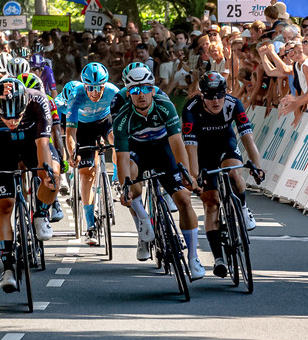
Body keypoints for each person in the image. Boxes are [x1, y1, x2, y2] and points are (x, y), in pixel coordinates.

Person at [114, 62, 205, 280]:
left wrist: (185, 173)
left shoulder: (165, 106)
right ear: (129, 93)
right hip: (137, 153)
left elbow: (177, 143)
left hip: (164, 150)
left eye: (146, 89)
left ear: (153, 89)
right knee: (131, 184)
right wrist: (124, 186)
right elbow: (122, 159)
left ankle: (193, 257)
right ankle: (144, 221)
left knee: (183, 199)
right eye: (135, 91)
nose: (141, 94)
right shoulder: (122, 117)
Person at [0, 76, 59, 294]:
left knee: (52, 176)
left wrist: (46, 174)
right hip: (1, 150)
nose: (11, 122)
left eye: (17, 117)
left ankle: (40, 214)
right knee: (4, 206)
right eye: (5, 118)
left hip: (33, 144)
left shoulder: (39, 101)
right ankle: (8, 267)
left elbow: (43, 145)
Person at [183, 71, 265, 278]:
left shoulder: (233, 103)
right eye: (210, 96)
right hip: (202, 152)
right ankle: (219, 258)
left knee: (235, 174)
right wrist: (194, 177)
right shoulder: (191, 109)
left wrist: (257, 166)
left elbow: (248, 138)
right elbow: (190, 148)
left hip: (224, 144)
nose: (216, 100)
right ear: (202, 96)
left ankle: (244, 208)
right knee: (210, 204)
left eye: (219, 94)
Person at [65, 62, 121, 246]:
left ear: (105, 85)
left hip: (105, 121)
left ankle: (118, 178)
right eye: (91, 88)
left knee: (117, 140)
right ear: (84, 86)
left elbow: (125, 118)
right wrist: (72, 152)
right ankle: (90, 225)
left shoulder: (113, 91)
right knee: (86, 173)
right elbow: (71, 133)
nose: (95, 92)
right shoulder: (76, 96)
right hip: (84, 128)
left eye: (99, 88)